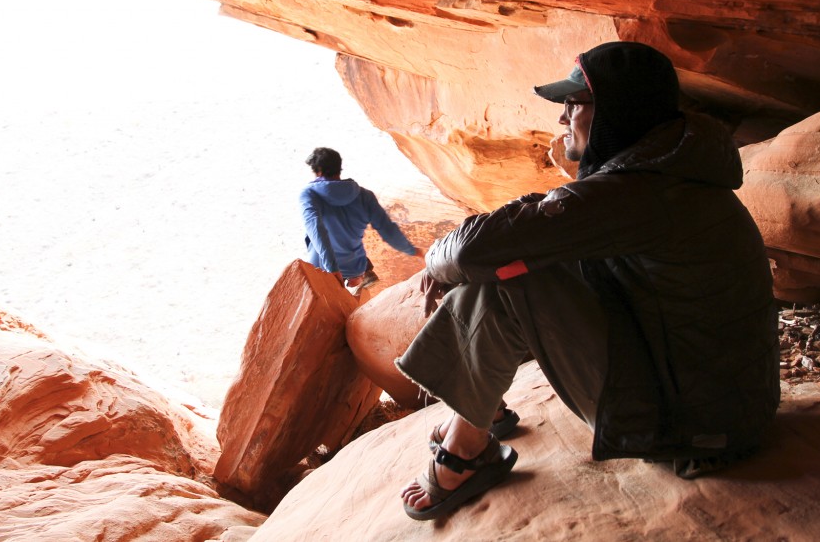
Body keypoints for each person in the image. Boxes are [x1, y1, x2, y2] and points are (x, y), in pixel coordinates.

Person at [396, 41, 780, 521]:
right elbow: (542, 222)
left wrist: (436, 262)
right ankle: (479, 408)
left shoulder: (641, 192)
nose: (563, 117)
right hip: (718, 404)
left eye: (575, 103)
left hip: (693, 428)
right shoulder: (667, 166)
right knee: (518, 259)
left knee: (504, 277)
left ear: (620, 110)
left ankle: (468, 450)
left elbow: (478, 250)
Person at [300, 146, 424, 295]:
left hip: (323, 269)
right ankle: (362, 277)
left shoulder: (309, 194)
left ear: (318, 170)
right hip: (356, 267)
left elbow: (316, 230)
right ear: (339, 168)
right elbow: (387, 230)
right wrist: (413, 250)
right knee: (345, 234)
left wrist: (332, 269)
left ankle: (353, 282)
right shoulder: (364, 195)